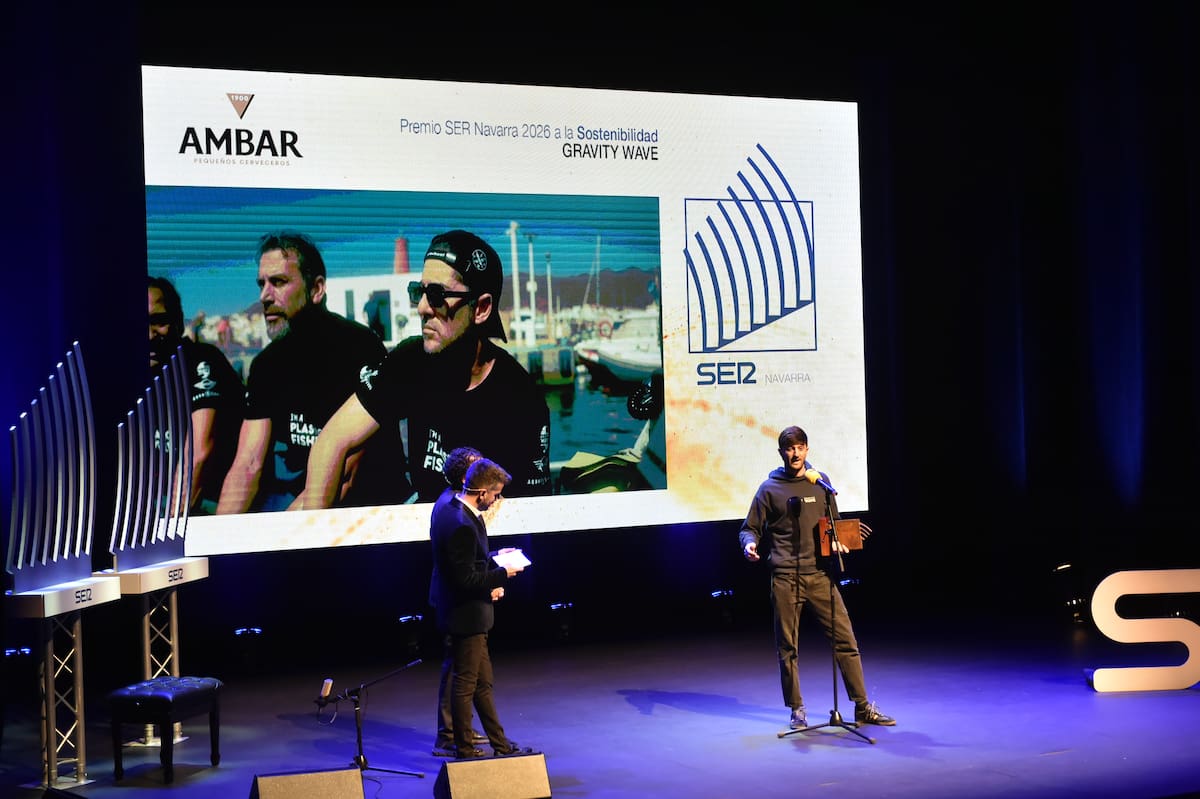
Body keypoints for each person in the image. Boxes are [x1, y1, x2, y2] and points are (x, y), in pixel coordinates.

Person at [293, 229, 551, 509]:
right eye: (420, 292)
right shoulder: (411, 360)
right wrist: (313, 530)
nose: (423, 308)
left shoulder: (520, 400)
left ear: (481, 308)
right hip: (419, 518)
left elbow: (530, 515)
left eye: (437, 295)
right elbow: (331, 441)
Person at [217, 231, 410, 513]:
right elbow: (248, 464)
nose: (264, 296)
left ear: (317, 289)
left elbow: (346, 475)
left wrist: (283, 534)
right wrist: (219, 534)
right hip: (294, 504)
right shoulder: (266, 365)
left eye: (278, 282)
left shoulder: (359, 349)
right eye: (261, 284)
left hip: (359, 508)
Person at [739, 425, 895, 731]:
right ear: (781, 453)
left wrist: (838, 542)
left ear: (807, 449)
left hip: (820, 575)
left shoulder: (821, 483)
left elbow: (833, 525)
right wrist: (749, 544)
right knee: (788, 647)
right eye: (789, 448)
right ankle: (797, 709)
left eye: (800, 447)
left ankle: (862, 706)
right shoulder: (769, 489)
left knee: (846, 640)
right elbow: (749, 528)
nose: (795, 453)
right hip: (785, 577)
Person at [429, 457, 532, 759]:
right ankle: (463, 748)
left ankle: (500, 745)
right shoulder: (460, 523)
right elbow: (465, 579)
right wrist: (502, 574)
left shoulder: (458, 511)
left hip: (471, 615)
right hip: (466, 615)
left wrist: (496, 556)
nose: (497, 499)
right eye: (496, 494)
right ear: (482, 492)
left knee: (482, 684)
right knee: (465, 685)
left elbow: (469, 560)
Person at [148, 276, 244, 514]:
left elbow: (198, 456)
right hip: (158, 502)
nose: (149, 334)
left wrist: (170, 527)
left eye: (159, 321)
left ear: (178, 323)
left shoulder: (201, 360)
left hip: (209, 503)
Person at [430, 446, 488, 757]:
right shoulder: (451, 508)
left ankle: (457, 730)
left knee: (459, 667)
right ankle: (449, 735)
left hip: (453, 598)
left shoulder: (454, 501)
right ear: (466, 476)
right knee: (456, 669)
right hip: (455, 601)